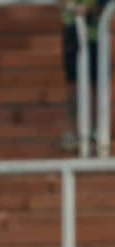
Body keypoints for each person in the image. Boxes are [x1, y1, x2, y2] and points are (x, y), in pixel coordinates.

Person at [59, 0, 107, 152]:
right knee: (72, 85)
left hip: (98, 31)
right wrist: (73, 7)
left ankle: (96, 131)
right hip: (73, 28)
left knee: (98, 85)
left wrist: (91, 8)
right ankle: (72, 132)